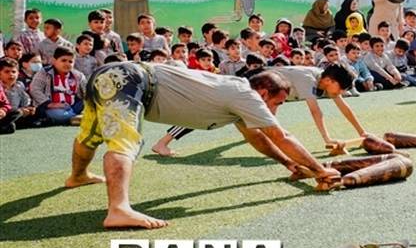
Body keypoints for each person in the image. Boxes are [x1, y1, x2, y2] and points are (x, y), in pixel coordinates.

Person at [69, 64, 341, 229]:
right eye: (278, 102)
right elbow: (281, 136)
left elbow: (258, 138)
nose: (275, 109)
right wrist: (320, 171)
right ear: (264, 94)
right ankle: (118, 210)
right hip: (129, 79)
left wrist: (290, 164)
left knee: (90, 135)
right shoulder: (247, 96)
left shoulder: (237, 96)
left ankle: (78, 176)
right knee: (125, 141)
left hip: (113, 75)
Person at [150, 63, 366, 157]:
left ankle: (264, 137)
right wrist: (327, 138)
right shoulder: (307, 79)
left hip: (272, 94)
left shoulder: (325, 81)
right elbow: (315, 111)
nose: (342, 92)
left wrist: (362, 133)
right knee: (210, 112)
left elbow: (344, 107)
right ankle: (162, 143)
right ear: (328, 80)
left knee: (267, 119)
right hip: (255, 83)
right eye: (342, 87)